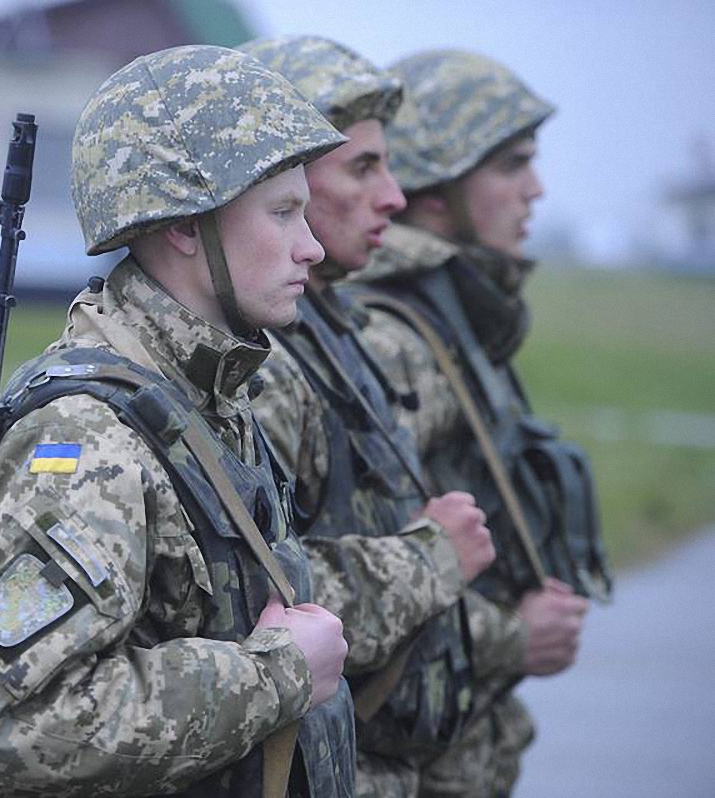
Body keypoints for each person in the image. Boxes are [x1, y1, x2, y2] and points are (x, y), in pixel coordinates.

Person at [0, 45, 356, 797]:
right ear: (185, 225)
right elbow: (11, 727)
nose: (311, 245)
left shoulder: (205, 398)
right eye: (283, 212)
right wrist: (281, 674)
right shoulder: (89, 437)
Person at [238, 36, 497, 798]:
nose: (394, 195)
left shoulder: (331, 331)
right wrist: (433, 558)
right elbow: (261, 606)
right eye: (363, 166)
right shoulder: (264, 365)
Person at [350, 49, 602, 797]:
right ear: (437, 186)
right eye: (511, 164)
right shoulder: (391, 340)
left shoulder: (451, 316)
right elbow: (346, 571)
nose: (536, 190)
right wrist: (511, 638)